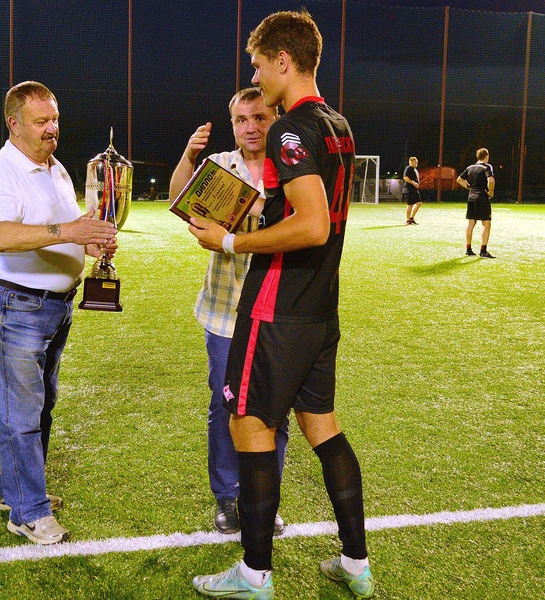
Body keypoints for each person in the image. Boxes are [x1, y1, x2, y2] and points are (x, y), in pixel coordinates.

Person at [188, 10, 374, 599]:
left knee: (248, 422)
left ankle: (253, 574)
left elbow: (312, 224)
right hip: (320, 310)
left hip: (275, 306)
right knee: (322, 427)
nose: (257, 74)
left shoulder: (290, 130)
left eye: (259, 64)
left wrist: (230, 240)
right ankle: (355, 562)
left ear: (284, 62)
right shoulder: (337, 123)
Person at [0, 81, 117, 545]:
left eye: (54, 119)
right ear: (13, 124)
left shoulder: (54, 169)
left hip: (53, 306)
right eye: (41, 121)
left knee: (38, 406)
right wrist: (69, 229)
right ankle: (28, 512)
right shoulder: (0, 172)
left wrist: (87, 240)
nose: (52, 129)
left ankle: (13, 491)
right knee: (21, 412)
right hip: (15, 303)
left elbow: (63, 230)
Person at [168, 87, 289, 537]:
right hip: (224, 313)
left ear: (273, 118)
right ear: (232, 124)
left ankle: (264, 498)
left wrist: (256, 208)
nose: (250, 127)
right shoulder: (220, 166)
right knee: (226, 408)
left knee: (271, 411)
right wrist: (188, 153)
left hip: (277, 312)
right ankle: (226, 495)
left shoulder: (291, 169)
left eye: (259, 117)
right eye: (241, 120)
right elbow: (181, 201)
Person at [457, 148, 496, 258]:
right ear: (486, 156)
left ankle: (468, 249)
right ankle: (483, 250)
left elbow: (459, 180)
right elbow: (491, 180)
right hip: (482, 198)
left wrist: (469, 188)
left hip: (471, 198)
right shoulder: (487, 167)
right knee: (486, 223)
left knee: (471, 224)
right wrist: (491, 192)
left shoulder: (470, 167)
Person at [403, 156, 422, 224]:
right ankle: (408, 220)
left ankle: (411, 218)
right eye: (415, 162)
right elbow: (405, 177)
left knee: (419, 203)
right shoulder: (408, 168)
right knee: (410, 205)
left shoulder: (414, 169)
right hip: (409, 189)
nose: (416, 163)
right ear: (411, 162)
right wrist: (413, 183)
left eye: (417, 162)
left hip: (414, 189)